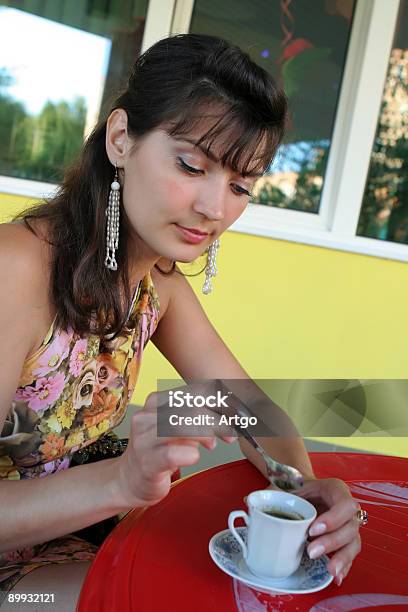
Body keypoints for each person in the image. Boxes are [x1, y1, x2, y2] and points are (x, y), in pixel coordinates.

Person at [0, 33, 364, 610]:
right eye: (192, 165)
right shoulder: (15, 268)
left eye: (241, 185)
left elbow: (251, 411)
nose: (215, 209)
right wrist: (121, 479)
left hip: (74, 528)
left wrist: (302, 490)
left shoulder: (156, 286)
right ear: (121, 139)